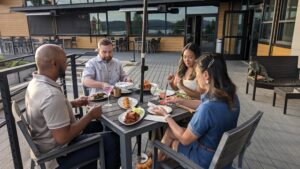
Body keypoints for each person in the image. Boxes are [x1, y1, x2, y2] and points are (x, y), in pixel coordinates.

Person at [25, 44, 120, 169]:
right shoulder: (51, 95)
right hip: (56, 156)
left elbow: (48, 111)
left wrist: (72, 103)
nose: (67, 65)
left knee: (100, 126)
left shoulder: (35, 84)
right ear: (54, 63)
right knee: (112, 139)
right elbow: (63, 138)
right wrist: (90, 115)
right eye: (65, 61)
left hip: (47, 143)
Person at [153, 53, 240, 169]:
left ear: (206, 75)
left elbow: (184, 139)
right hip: (222, 154)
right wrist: (179, 101)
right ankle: (157, 161)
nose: (196, 78)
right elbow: (204, 105)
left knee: (174, 142)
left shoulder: (208, 108)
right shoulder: (231, 96)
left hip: (205, 161)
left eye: (197, 74)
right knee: (170, 131)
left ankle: (154, 164)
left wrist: (166, 115)